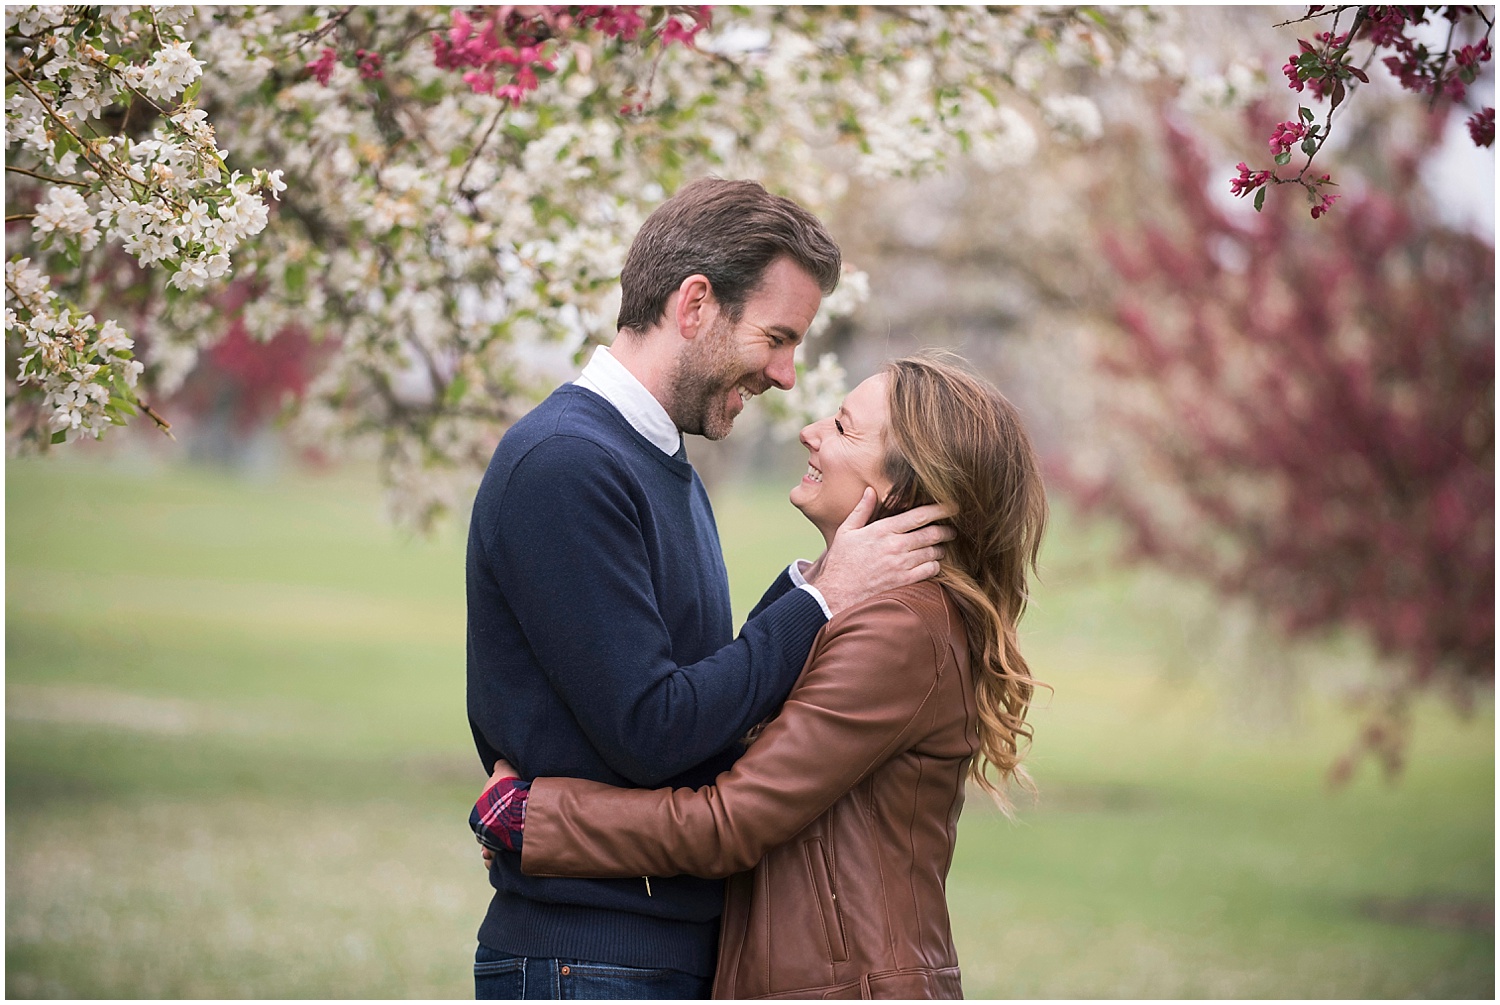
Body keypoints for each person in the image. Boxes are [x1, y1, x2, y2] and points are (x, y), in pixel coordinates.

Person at [466, 179, 955, 1000]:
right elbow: (654, 729)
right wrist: (819, 598)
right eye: (776, 336)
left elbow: (704, 702)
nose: (787, 374)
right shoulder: (568, 464)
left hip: (657, 949)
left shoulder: (658, 462)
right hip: (590, 957)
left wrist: (812, 589)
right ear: (695, 304)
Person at [473, 353, 1048, 1000]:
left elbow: (735, 817)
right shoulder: (874, 614)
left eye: (842, 426)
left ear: (898, 487)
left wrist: (533, 815)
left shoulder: (900, 631)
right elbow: (727, 734)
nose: (810, 430)